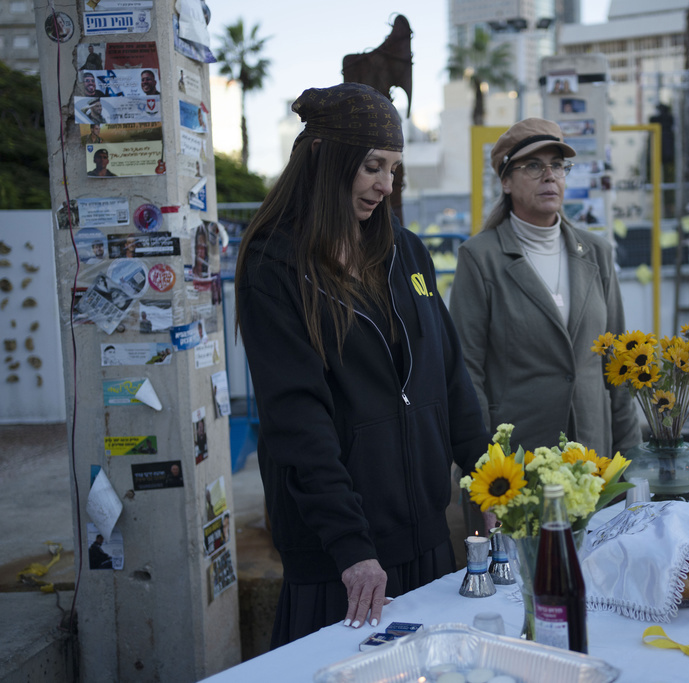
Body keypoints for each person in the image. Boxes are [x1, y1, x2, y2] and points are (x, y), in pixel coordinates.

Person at [235, 82, 489, 647]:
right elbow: (297, 420)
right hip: (344, 561)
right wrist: (351, 547)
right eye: (372, 165)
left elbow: (450, 380)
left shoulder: (407, 251)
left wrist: (488, 485)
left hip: (427, 539)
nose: (385, 185)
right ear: (326, 158)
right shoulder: (275, 266)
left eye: (394, 169)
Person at [448, 118, 640, 460]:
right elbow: (466, 371)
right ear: (506, 181)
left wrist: (630, 456)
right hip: (518, 461)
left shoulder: (596, 252)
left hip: (595, 458)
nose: (549, 175)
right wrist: (485, 463)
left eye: (557, 165)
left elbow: (620, 362)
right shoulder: (480, 258)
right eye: (533, 166)